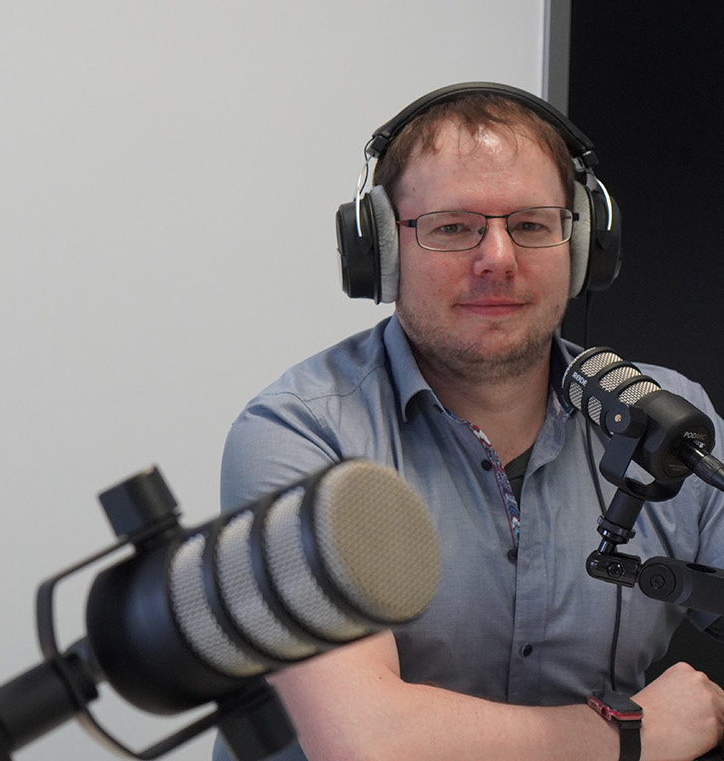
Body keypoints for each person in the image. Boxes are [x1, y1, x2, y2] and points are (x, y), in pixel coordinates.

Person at [217, 83, 724, 760]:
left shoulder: (665, 422)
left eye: (533, 224)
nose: (499, 259)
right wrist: (630, 736)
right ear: (380, 252)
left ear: (584, 246)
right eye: (453, 226)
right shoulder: (300, 435)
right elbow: (364, 739)